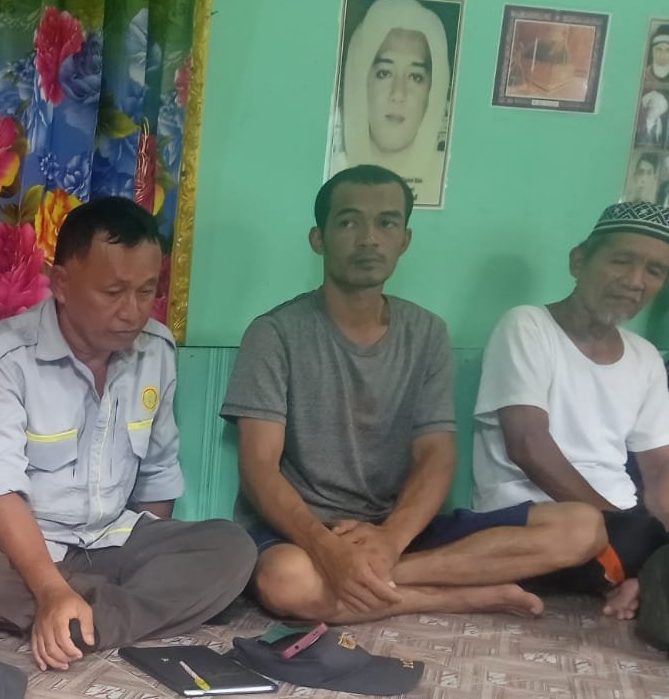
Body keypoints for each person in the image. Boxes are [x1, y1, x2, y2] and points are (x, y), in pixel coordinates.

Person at [221, 165, 603, 625]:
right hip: (303, 533)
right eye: (348, 222)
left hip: (398, 530)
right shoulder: (274, 333)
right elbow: (258, 468)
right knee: (287, 581)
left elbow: (435, 456)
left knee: (583, 528)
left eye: (386, 223)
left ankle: (371, 579)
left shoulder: (427, 333)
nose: (369, 238)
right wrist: (325, 548)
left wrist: (388, 542)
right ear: (318, 239)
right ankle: (461, 596)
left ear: (404, 240)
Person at [0, 197, 256, 672]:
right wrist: (50, 587)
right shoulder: (1, 358)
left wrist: (145, 557)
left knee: (232, 549)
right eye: (113, 292)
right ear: (61, 283)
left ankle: (74, 616)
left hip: (104, 539)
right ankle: (79, 607)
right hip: (1, 542)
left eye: (146, 291)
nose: (132, 312)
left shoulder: (156, 351)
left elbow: (157, 475)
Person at [472, 202, 669, 620]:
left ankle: (635, 579)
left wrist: (660, 539)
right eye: (622, 261)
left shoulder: (646, 357)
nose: (635, 281)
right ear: (579, 261)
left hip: (622, 526)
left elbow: (659, 469)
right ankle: (634, 576)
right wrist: (613, 527)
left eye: (654, 271)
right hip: (535, 518)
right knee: (601, 536)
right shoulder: (527, 326)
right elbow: (528, 445)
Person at [331, 0, 454, 207]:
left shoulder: (449, 180)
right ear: (360, 84)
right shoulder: (332, 170)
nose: (398, 94)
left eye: (415, 77)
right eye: (384, 73)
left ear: (433, 93)